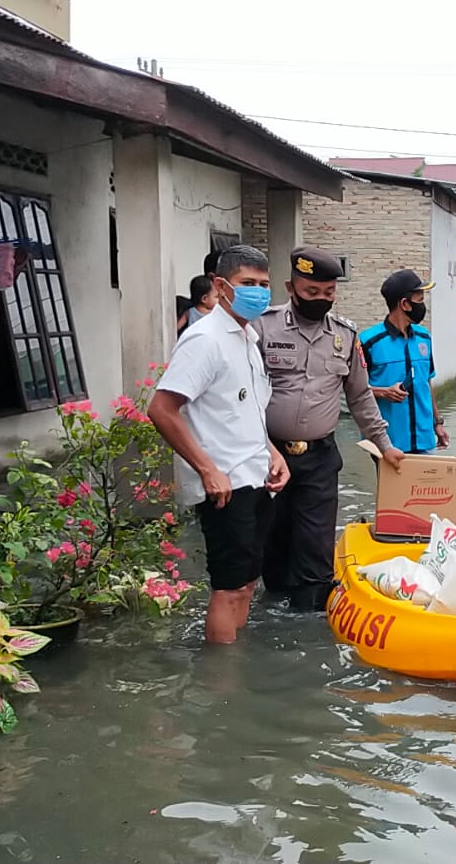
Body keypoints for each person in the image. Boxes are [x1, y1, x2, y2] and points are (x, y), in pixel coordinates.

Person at [148, 245, 291, 644]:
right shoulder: (204, 339)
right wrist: (207, 469)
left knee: (247, 583)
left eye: (263, 284)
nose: (258, 292)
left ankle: (236, 664)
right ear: (220, 285)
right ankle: (220, 676)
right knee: (228, 589)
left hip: (257, 477)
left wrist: (274, 454)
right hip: (225, 484)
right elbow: (161, 409)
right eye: (248, 283)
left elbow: (244, 411)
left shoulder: (247, 338)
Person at [259, 246, 406, 611]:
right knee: (271, 545)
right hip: (266, 456)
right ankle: (272, 614)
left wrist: (385, 445)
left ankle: (310, 619)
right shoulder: (262, 327)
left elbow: (360, 397)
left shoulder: (344, 336)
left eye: (328, 292)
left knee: (316, 548)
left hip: (319, 459)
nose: (321, 299)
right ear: (291, 288)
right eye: (311, 292)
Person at [360, 269, 449, 455]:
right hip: (388, 443)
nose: (423, 305)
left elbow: (427, 382)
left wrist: (437, 422)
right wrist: (384, 392)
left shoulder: (424, 338)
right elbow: (354, 391)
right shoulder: (369, 342)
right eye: (420, 299)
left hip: (425, 440)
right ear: (405, 304)